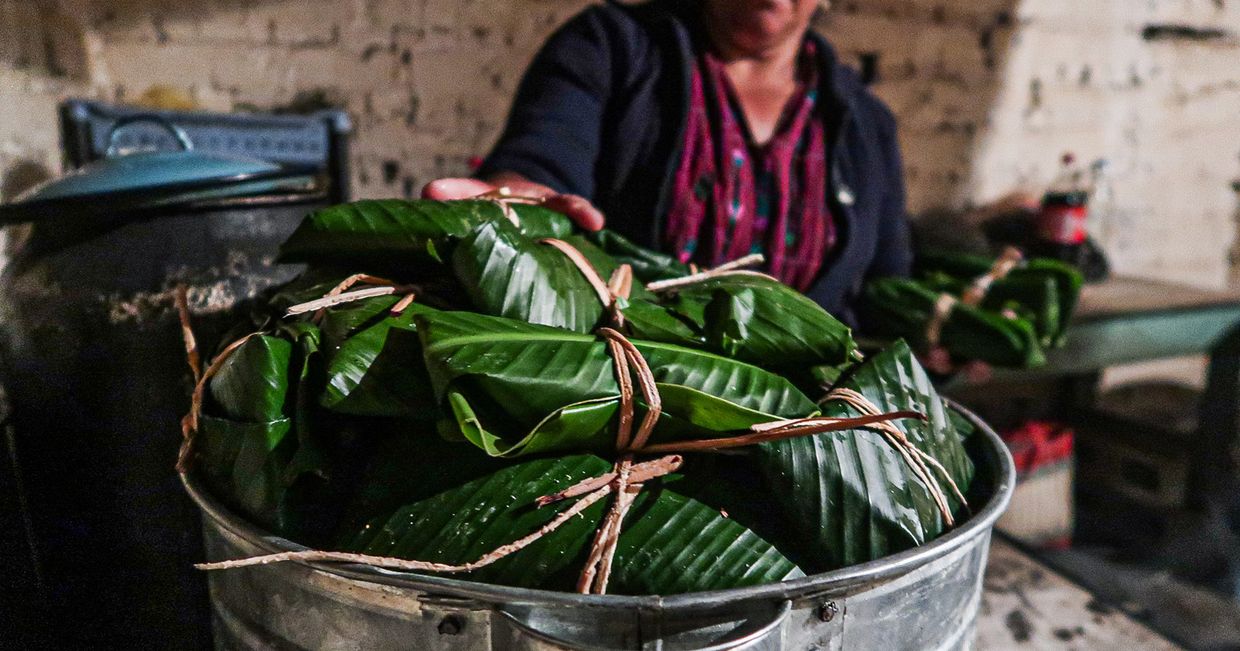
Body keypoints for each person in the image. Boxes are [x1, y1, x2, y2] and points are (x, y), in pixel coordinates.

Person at [424, 0, 909, 328]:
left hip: (800, 420)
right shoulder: (615, 46)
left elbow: (889, 287)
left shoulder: (866, 125)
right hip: (624, 385)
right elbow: (545, 157)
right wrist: (517, 196)